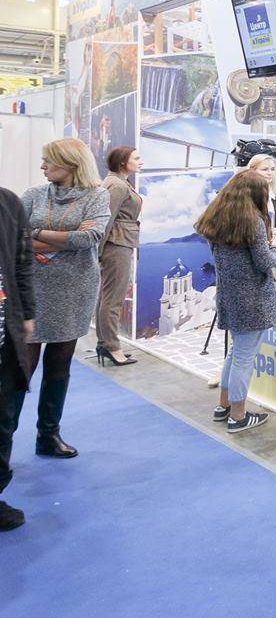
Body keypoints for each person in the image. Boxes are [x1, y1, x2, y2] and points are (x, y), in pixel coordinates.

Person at [19, 138, 111, 459]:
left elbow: (89, 238)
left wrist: (35, 234)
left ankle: (48, 435)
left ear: (71, 164)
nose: (42, 166)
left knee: (59, 366)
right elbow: (13, 238)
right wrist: (62, 239)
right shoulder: (33, 195)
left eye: (49, 160)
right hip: (31, 291)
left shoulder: (97, 196)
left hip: (74, 290)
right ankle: (4, 440)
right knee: (19, 369)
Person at [196, 170, 276, 432]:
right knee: (244, 358)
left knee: (235, 353)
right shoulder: (253, 221)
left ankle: (223, 406)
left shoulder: (216, 218)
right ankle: (238, 416)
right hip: (252, 299)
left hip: (229, 295)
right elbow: (265, 262)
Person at [0, 185, 36, 529]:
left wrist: (26, 312)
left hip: (4, 338)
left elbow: (23, 262)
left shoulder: (9, 203)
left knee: (3, 421)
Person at [96, 146, 143, 367]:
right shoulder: (117, 185)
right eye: (136, 158)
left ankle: (105, 342)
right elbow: (105, 220)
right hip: (116, 243)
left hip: (119, 241)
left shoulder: (118, 182)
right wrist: (98, 251)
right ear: (123, 162)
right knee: (113, 298)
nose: (140, 161)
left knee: (108, 295)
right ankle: (111, 346)